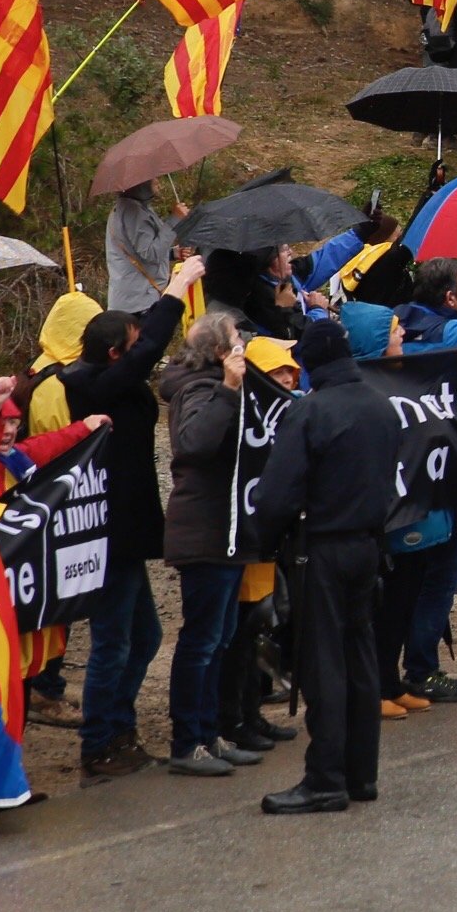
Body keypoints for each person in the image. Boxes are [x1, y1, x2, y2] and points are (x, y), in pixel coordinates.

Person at [246, 320, 400, 815]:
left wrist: (261, 543)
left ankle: (325, 778)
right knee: (360, 657)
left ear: (312, 362)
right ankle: (362, 773)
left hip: (322, 548)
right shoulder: (381, 405)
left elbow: (275, 495)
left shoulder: (310, 411)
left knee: (323, 663)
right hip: (369, 546)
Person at [62, 258, 202, 784]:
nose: (146, 346)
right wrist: (177, 289)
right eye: (134, 341)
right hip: (110, 533)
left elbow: (141, 341)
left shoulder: (111, 374)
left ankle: (118, 729)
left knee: (144, 637)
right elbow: (145, 351)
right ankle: (98, 745)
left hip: (130, 528)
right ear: (117, 352)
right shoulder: (94, 385)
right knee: (114, 641)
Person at [157, 315, 261, 779]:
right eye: (237, 341)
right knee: (201, 641)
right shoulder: (198, 390)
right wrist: (228, 389)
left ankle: (208, 732)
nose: (243, 348)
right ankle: (186, 742)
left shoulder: (211, 386)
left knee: (220, 638)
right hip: (204, 531)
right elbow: (195, 445)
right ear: (221, 352)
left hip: (227, 530)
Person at [105, 185, 180, 314]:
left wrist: (172, 253)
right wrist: (174, 220)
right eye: (153, 178)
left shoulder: (129, 208)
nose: (157, 181)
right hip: (138, 303)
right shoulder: (134, 212)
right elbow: (151, 254)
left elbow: (137, 253)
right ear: (142, 183)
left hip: (132, 299)